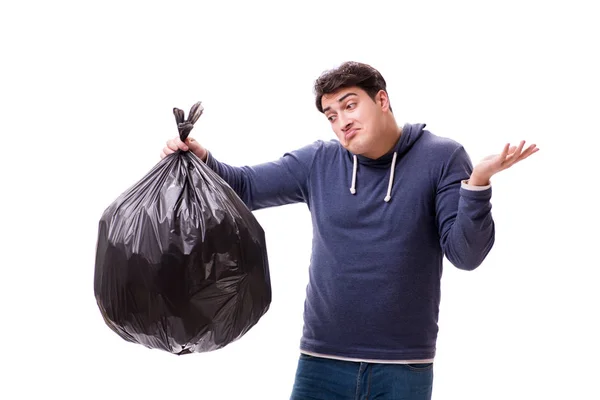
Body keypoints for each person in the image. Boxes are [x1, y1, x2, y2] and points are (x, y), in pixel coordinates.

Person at [160, 61, 538, 400]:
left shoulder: (442, 157)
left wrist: (477, 184)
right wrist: (202, 157)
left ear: (382, 100)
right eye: (331, 114)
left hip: (404, 367)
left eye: (350, 104)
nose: (341, 120)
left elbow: (466, 255)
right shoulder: (319, 161)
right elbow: (244, 186)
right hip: (321, 362)